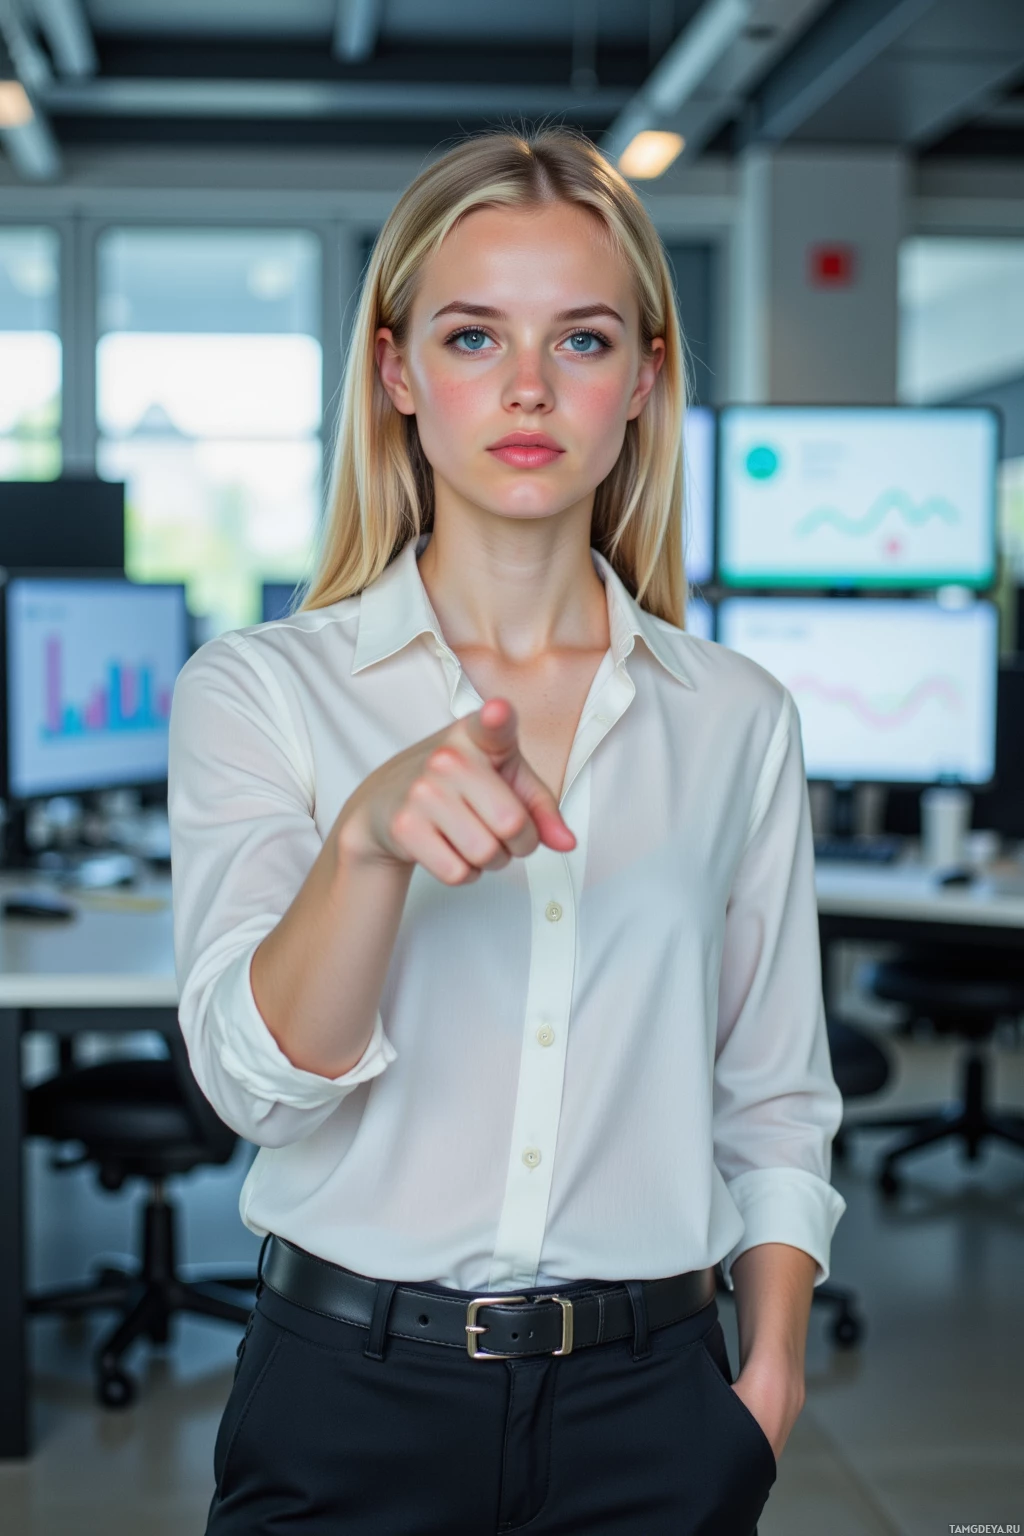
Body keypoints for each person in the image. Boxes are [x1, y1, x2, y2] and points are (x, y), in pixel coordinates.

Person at [169, 127, 847, 1536]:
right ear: (399, 372)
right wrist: (368, 848)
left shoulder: (734, 715)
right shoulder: (264, 692)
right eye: (475, 336)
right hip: (348, 1398)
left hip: (653, 1406)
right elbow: (257, 1093)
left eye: (583, 340)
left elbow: (775, 1093)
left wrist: (768, 1379)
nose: (530, 386)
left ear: (646, 380)